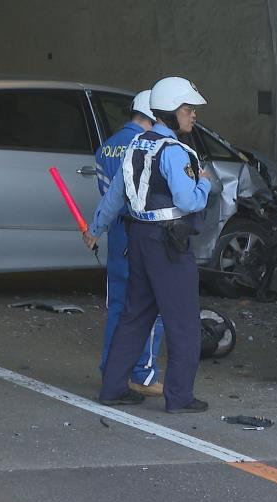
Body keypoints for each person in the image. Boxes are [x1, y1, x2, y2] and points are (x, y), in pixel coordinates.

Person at [84, 76, 222, 412]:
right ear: (171, 112)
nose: (193, 115)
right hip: (169, 243)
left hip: (139, 239)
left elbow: (116, 196)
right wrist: (205, 185)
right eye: (188, 109)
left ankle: (113, 387)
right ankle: (179, 397)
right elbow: (188, 201)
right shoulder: (175, 152)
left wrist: (94, 228)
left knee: (135, 315)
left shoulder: (136, 145)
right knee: (183, 320)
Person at [93, 90, 165, 397]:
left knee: (118, 306)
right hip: (141, 231)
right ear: (153, 117)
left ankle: (112, 369)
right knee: (150, 306)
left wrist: (98, 226)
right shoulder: (145, 146)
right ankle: (142, 373)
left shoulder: (105, 148)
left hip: (116, 233)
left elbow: (107, 195)